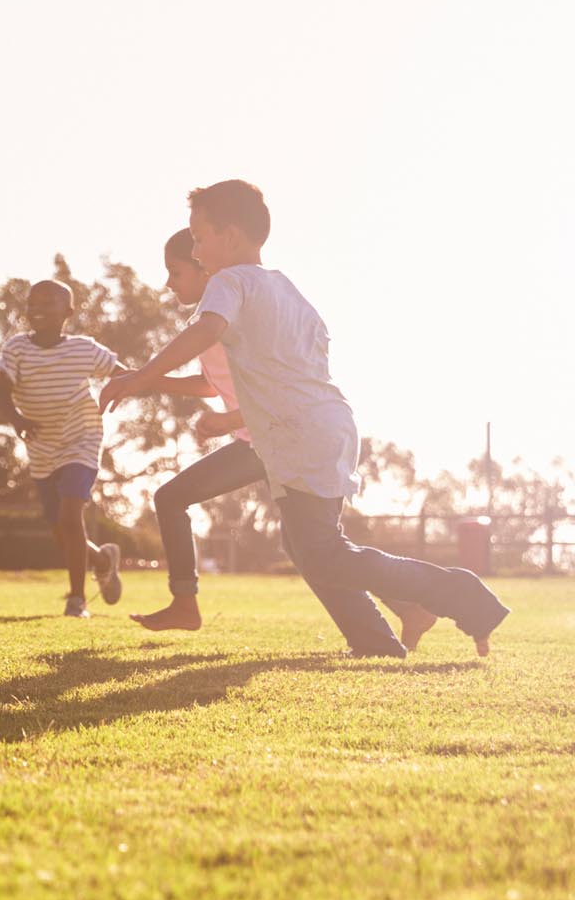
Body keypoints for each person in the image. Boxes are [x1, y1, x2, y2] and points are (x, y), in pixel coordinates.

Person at [100, 181, 507, 657]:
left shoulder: (229, 282)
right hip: (328, 426)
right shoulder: (285, 288)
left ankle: (465, 598)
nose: (194, 249)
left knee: (325, 552)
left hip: (298, 436)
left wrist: (141, 377)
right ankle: (375, 642)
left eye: (197, 237)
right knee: (307, 546)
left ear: (229, 237)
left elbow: (208, 329)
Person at [113, 230, 436, 647]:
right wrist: (149, 382)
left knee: (181, 501)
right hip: (265, 441)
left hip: (276, 439)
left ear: (205, 269)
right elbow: (213, 385)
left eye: (176, 271)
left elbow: (278, 388)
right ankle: (406, 608)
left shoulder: (229, 311)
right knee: (309, 540)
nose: (169, 283)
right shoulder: (217, 316)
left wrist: (223, 418)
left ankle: (186, 603)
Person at [0, 279, 126, 617]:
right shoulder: (17, 348)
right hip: (41, 445)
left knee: (70, 516)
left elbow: (122, 374)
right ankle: (101, 559)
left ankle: (76, 599)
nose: (37, 309)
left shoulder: (83, 348)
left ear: (68, 311)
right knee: (57, 525)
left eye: (48, 303)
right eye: (32, 303)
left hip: (81, 437)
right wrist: (18, 420)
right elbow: (1, 394)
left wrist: (147, 382)